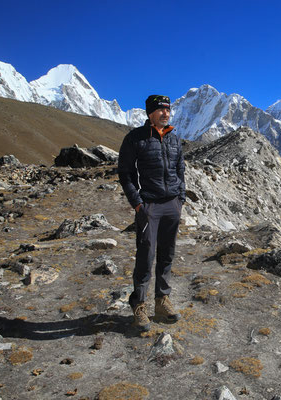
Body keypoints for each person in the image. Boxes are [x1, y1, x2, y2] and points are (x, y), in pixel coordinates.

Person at [118, 94, 185, 331]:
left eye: (168, 110)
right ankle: (139, 304)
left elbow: (180, 169)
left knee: (167, 254)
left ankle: (162, 300)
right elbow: (125, 173)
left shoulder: (175, 139)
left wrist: (180, 199)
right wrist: (138, 204)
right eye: (160, 110)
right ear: (150, 113)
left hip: (171, 205)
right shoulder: (135, 138)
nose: (165, 114)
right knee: (146, 256)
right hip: (149, 206)